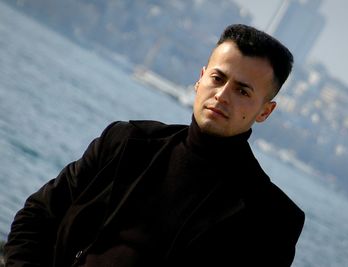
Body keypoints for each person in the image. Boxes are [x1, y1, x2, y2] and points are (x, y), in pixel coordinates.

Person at [4, 24, 305, 266]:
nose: (222, 95)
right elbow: (37, 215)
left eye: (242, 90)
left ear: (265, 111)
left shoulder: (273, 220)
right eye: (217, 78)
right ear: (200, 80)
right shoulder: (126, 141)